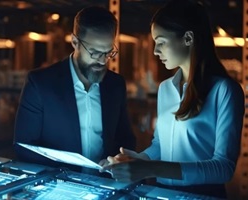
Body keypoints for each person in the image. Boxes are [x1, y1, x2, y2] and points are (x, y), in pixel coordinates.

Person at [101, 0, 244, 198]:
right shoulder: (165, 89)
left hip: (202, 195)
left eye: (161, 42)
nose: (155, 51)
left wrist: (151, 169)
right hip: (161, 193)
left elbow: (223, 168)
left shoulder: (224, 91)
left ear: (187, 38)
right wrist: (136, 160)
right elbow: (160, 145)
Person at [13, 6, 136, 171]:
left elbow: (126, 140)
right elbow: (24, 148)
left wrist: (120, 160)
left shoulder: (116, 85)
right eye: (94, 52)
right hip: (58, 187)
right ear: (75, 42)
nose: (102, 61)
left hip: (106, 185)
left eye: (108, 52)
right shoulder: (40, 84)